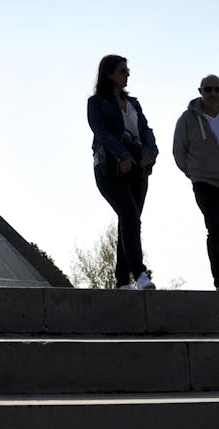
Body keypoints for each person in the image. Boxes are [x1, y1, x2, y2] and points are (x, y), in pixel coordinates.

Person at [87, 54, 159, 290]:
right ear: (109, 73)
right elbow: (101, 132)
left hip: (138, 167)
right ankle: (139, 273)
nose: (127, 75)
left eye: (127, 71)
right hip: (111, 168)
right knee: (129, 215)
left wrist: (151, 151)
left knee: (129, 220)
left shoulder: (134, 103)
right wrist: (122, 154)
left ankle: (121, 280)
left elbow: (146, 130)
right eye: (122, 71)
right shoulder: (96, 102)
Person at [172, 74, 219, 291]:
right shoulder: (187, 119)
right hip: (204, 181)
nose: (213, 94)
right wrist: (195, 172)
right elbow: (179, 150)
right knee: (216, 228)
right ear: (200, 91)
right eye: (208, 89)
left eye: (217, 89)